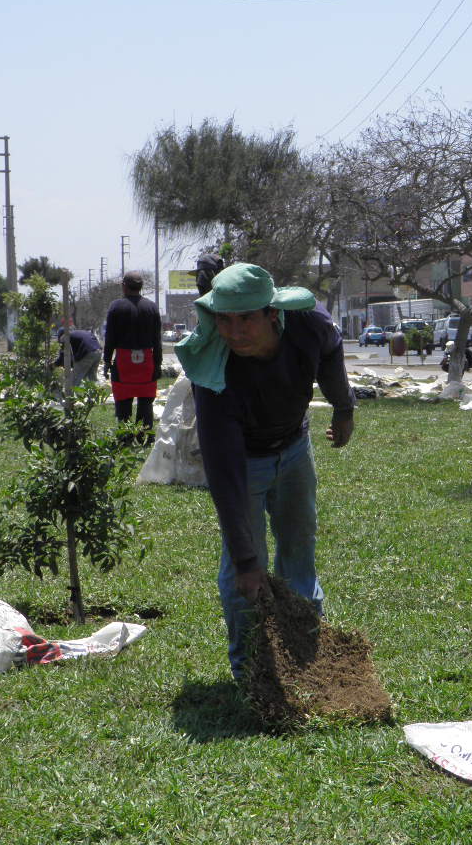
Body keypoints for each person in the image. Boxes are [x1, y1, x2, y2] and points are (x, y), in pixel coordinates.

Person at [177, 263, 356, 680]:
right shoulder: (214, 375)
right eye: (224, 319)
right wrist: (246, 561)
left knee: (299, 551)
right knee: (244, 576)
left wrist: (344, 407)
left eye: (245, 319)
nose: (234, 332)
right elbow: (223, 472)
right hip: (244, 463)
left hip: (294, 446)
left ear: (272, 314)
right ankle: (251, 671)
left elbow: (330, 351)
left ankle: (307, 657)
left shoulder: (309, 324)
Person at [103, 272, 163, 440]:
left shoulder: (116, 307)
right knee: (146, 402)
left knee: (123, 402)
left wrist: (107, 361)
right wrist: (157, 364)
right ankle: (145, 435)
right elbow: (157, 340)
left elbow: (110, 338)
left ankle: (125, 438)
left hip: (123, 363)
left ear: (124, 286)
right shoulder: (152, 307)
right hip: (146, 362)